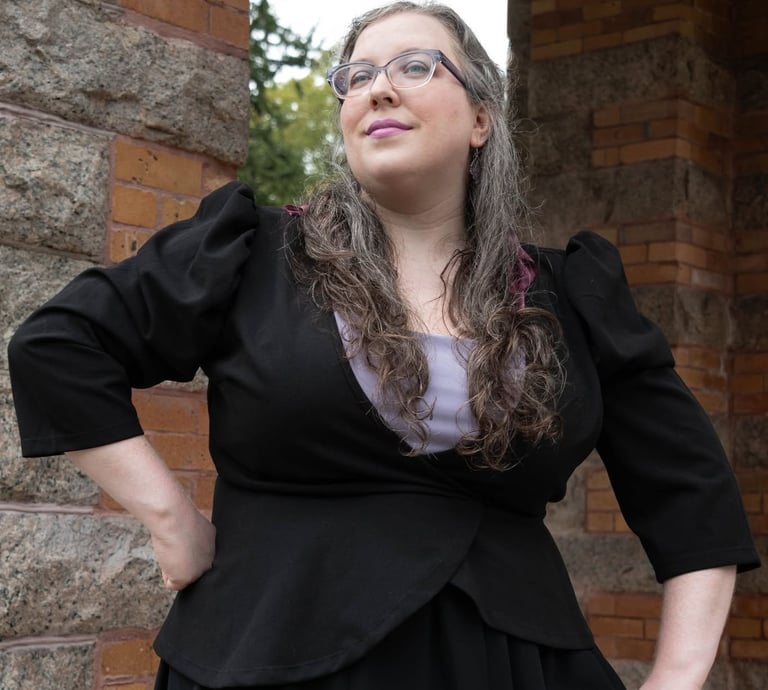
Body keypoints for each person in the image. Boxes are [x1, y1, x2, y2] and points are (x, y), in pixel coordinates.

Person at [7, 2, 760, 689]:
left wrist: (677, 678)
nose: (378, 89)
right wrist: (170, 515)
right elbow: (59, 347)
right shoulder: (255, 254)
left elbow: (690, 493)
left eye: (415, 66)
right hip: (269, 658)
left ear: (481, 119)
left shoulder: (572, 295)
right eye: (357, 75)